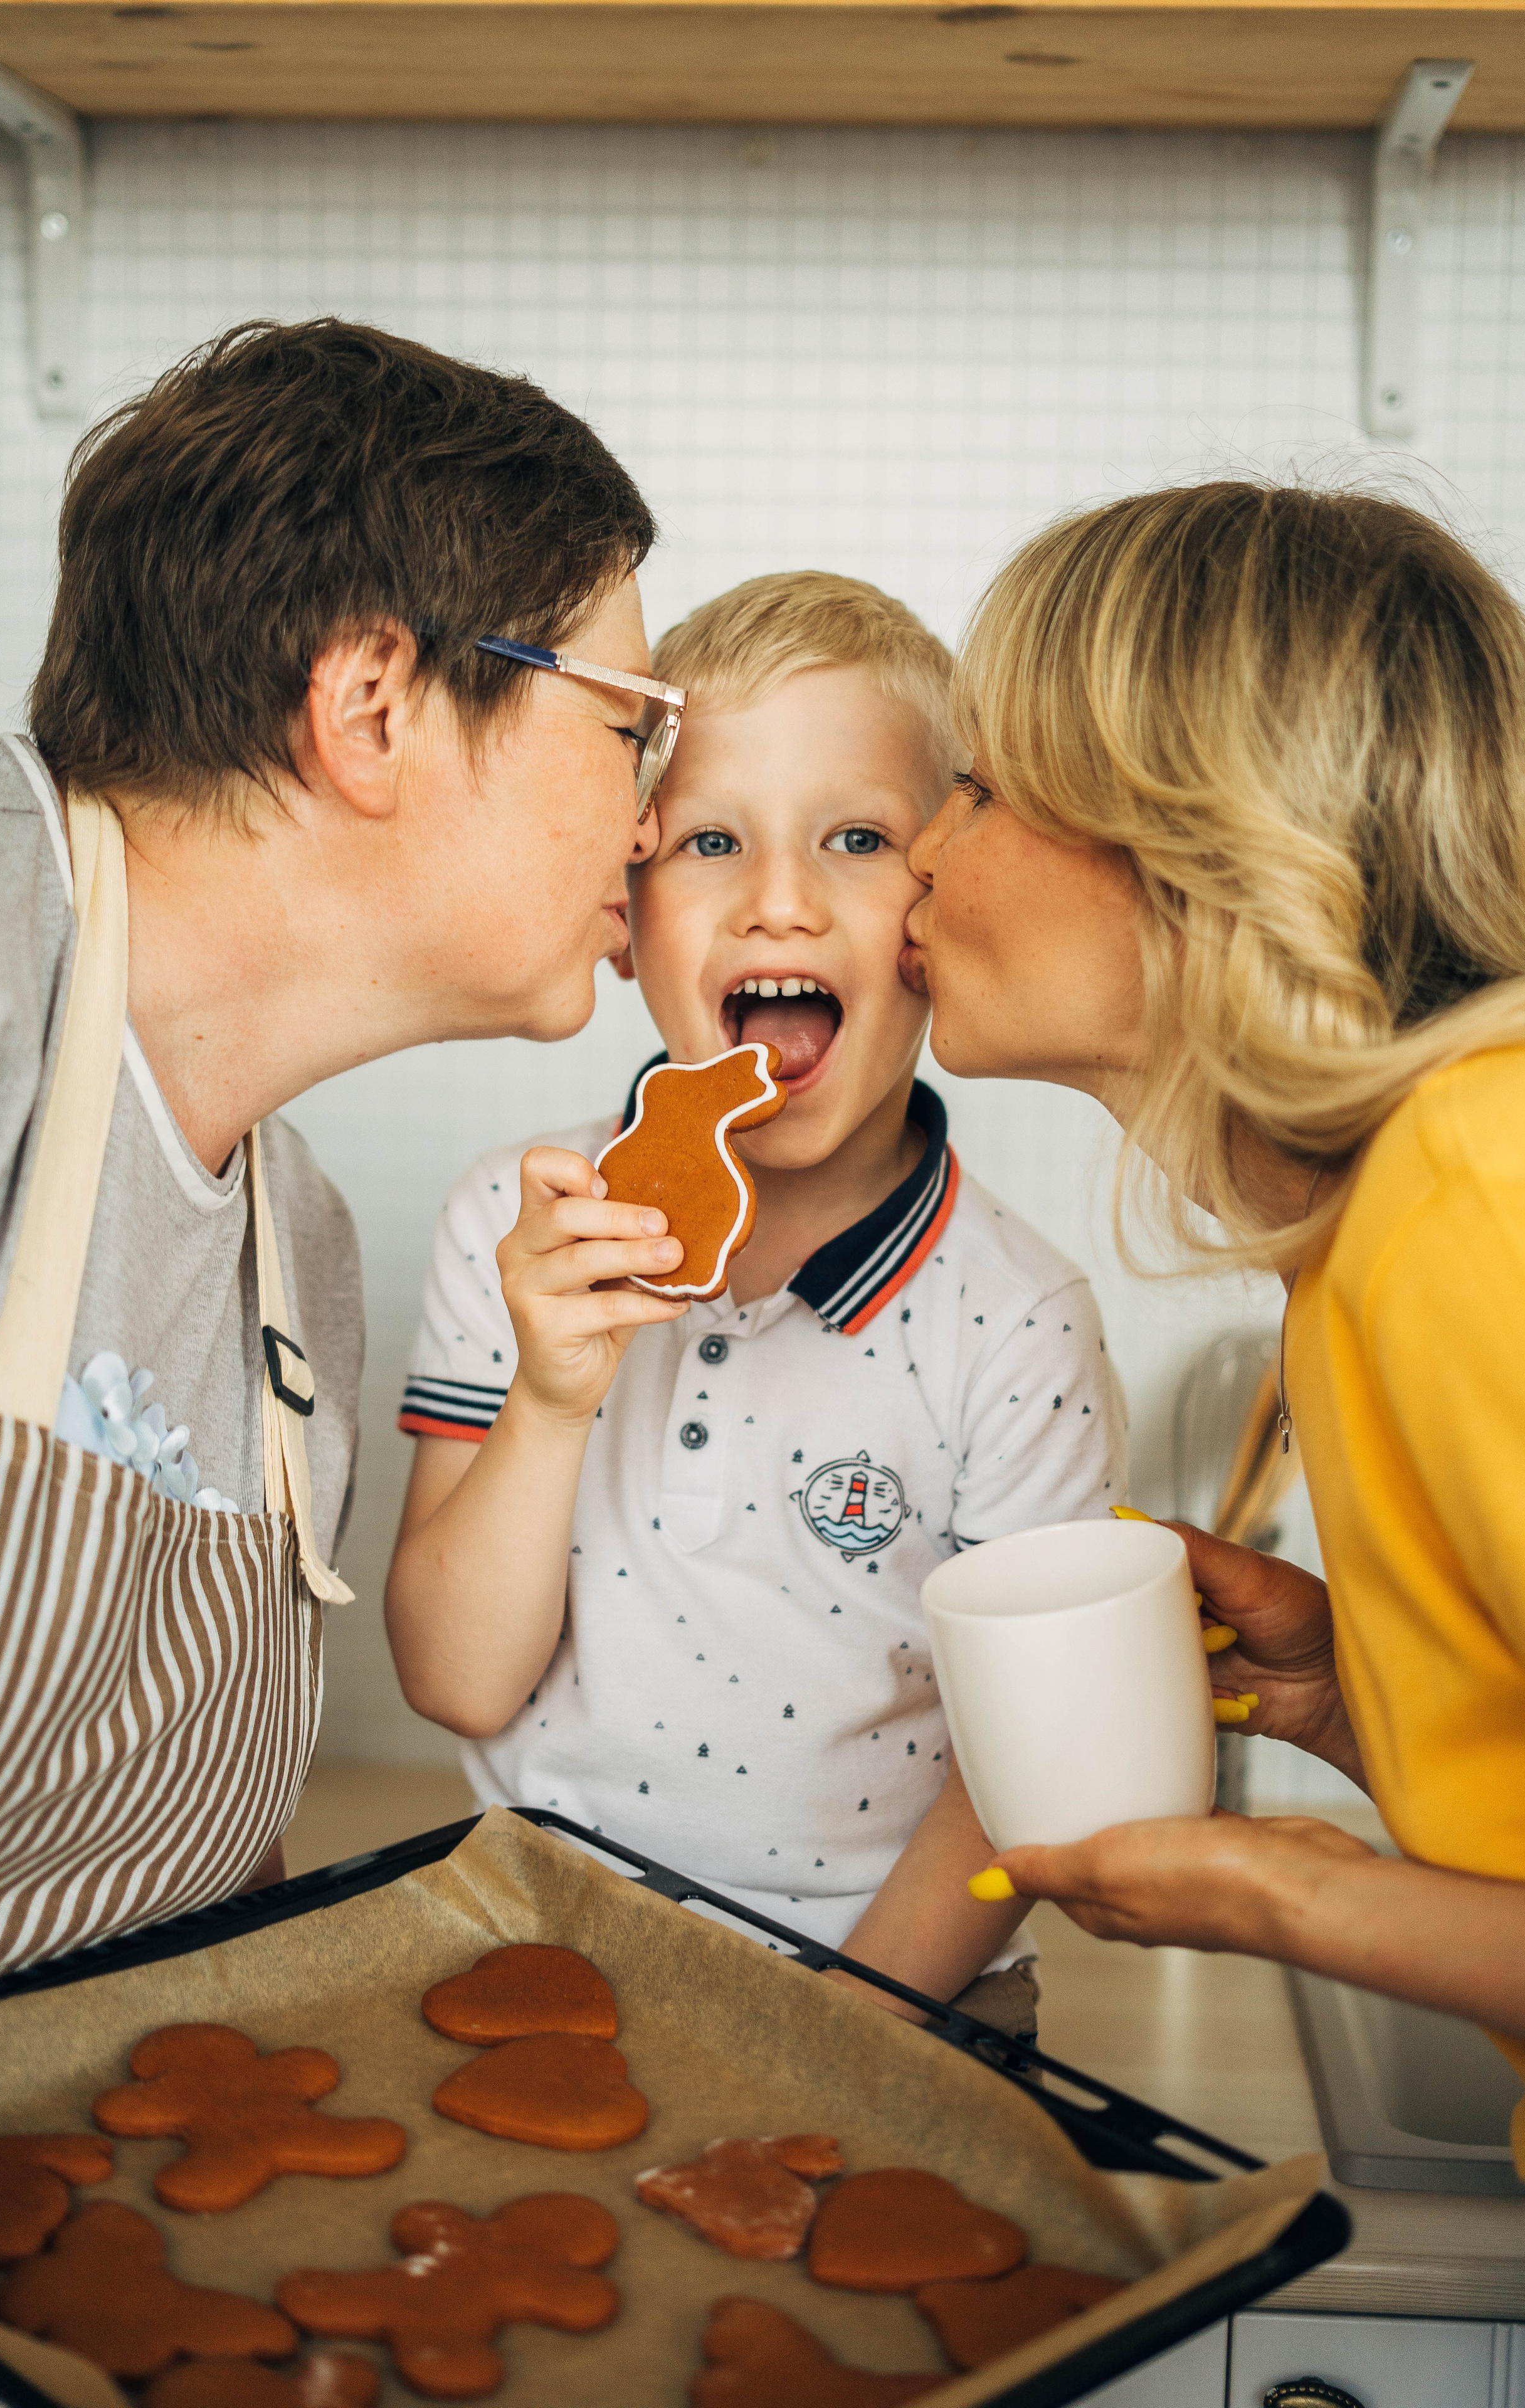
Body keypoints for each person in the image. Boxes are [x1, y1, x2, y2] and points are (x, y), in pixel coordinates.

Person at [0, 317, 673, 1995]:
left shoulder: (299, 1252)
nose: (651, 820)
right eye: (633, 721)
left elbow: (192, 1861)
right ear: (374, 704)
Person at [388, 571, 1128, 2027]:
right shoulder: (515, 1222)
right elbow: (459, 1685)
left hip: (903, 2004)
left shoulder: (1017, 1322)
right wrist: (549, 1399)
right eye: (713, 841)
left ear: (939, 908)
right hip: (547, 1975)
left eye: (857, 839)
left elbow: (1017, 1780)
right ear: (628, 903)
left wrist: (835, 2041)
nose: (780, 899)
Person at [900, 480, 1525, 2169]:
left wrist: (1298, 1891)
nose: (921, 843)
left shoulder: (1478, 1194)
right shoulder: (1383, 1222)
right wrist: (1345, 1705)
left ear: (1190, 842)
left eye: (975, 784)